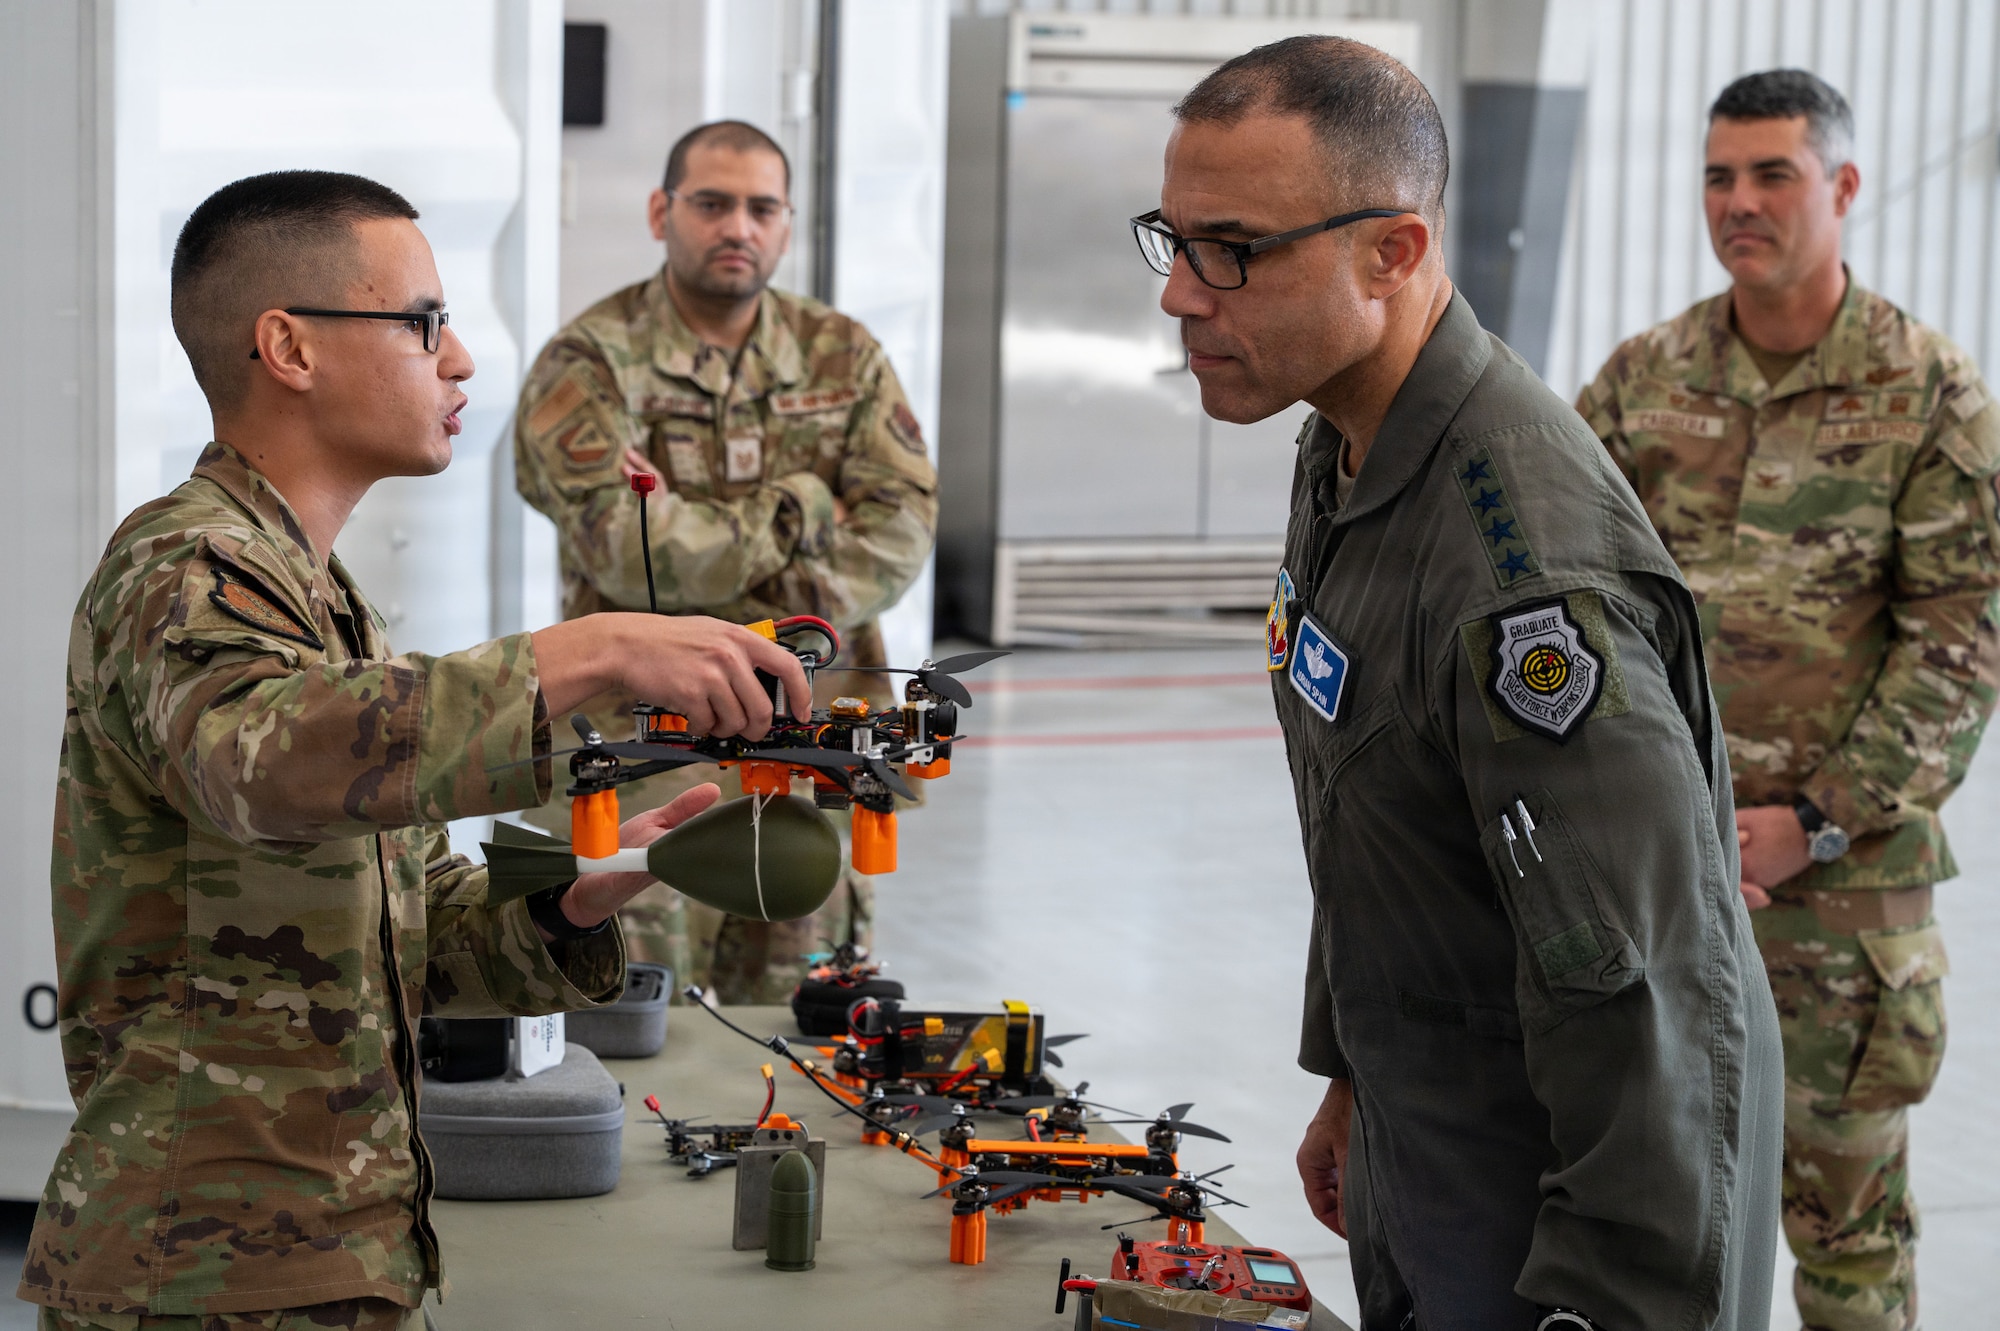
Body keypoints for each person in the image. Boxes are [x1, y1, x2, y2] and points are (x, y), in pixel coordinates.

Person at [19, 170, 810, 1331]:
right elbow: (262, 768)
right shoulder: (186, 567)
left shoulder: (316, 597)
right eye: (422, 323)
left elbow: (415, 935)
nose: (459, 363)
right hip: (197, 1272)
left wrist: (581, 899)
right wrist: (588, 651)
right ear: (288, 346)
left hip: (330, 1251)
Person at [1145, 37, 1783, 1328]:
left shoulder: (1520, 579)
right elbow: (1369, 798)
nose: (1183, 297)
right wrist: (1350, 1072)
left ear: (1394, 251)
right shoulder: (1347, 445)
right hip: (1428, 1123)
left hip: (1559, 1208)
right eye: (1174, 239)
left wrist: (1603, 1306)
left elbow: (1647, 1005)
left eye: (1236, 250)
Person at [1577, 69, 2000, 1331]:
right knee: (1655, 1229)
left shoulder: (1930, 394)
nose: (1737, 202)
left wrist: (1808, 818)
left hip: (1838, 908)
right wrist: (1663, 810)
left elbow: (1959, 642)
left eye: (1771, 174)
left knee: (1847, 1249)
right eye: (1717, 175)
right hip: (1661, 880)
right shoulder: (1640, 383)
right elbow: (1572, 609)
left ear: (1841, 187)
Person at [515, 120, 937, 1003]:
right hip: (643, 751)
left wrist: (767, 605)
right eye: (711, 203)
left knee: (801, 1014)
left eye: (760, 207)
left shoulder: (844, 355)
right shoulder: (586, 364)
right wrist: (805, 504)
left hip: (806, 745)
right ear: (662, 212)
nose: (736, 226)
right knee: (622, 1001)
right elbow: (634, 560)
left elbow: (903, 522)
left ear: (785, 224)